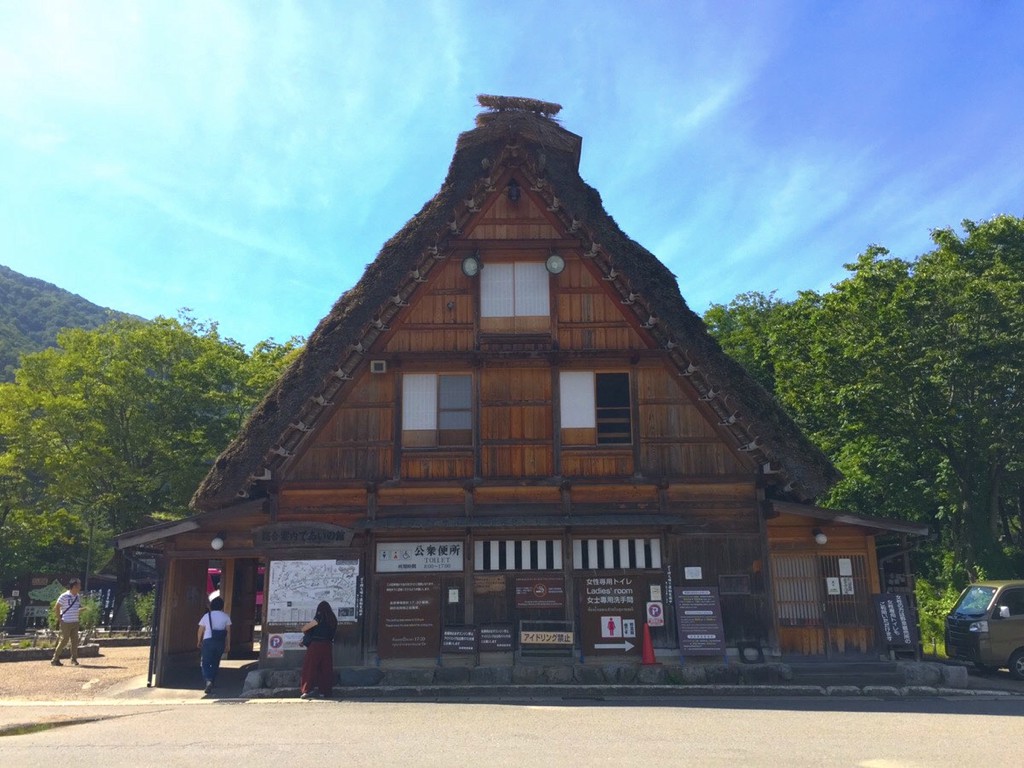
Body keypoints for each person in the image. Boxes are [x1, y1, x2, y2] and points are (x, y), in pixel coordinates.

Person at [299, 600, 338, 699]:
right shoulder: (333, 619)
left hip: (315, 646)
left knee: (310, 668)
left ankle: (307, 690)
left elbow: (304, 628)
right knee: (325, 669)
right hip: (328, 646)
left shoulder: (318, 618)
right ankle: (325, 692)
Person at [196, 596, 232, 694]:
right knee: (216, 662)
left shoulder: (206, 616)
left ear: (211, 606)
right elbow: (228, 632)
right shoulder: (225, 617)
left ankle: (208, 680)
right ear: (221, 606)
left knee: (206, 662)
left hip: (208, 641)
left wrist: (199, 640)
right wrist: (228, 644)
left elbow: (200, 630)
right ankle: (212, 680)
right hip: (220, 642)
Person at [51, 578, 83, 666]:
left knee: (75, 641)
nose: (80, 587)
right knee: (64, 640)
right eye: (78, 586)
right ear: (74, 586)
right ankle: (55, 658)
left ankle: (74, 659)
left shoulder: (77, 597)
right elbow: (57, 607)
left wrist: (81, 610)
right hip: (66, 621)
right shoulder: (64, 596)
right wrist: (59, 619)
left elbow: (75, 609)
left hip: (75, 621)